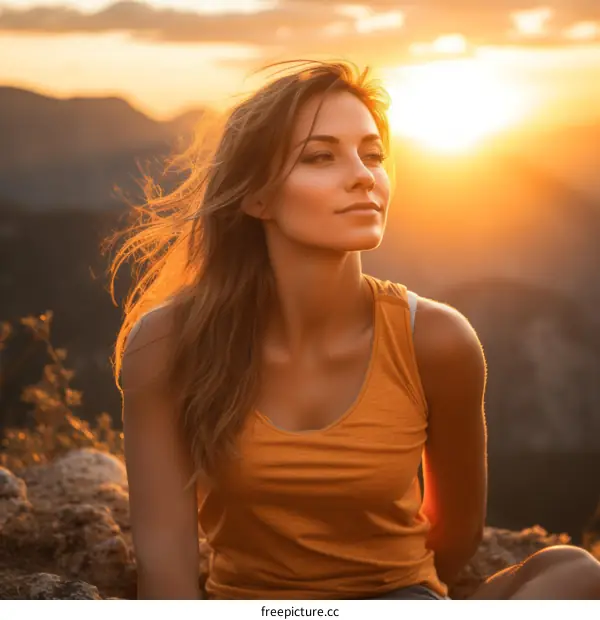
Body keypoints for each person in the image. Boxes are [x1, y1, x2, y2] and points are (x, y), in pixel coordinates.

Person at [106, 60, 600, 600]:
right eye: (321, 156)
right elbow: (166, 572)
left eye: (373, 155)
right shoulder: (166, 345)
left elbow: (455, 536)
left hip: (399, 601)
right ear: (256, 197)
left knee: (574, 572)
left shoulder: (436, 341)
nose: (364, 175)